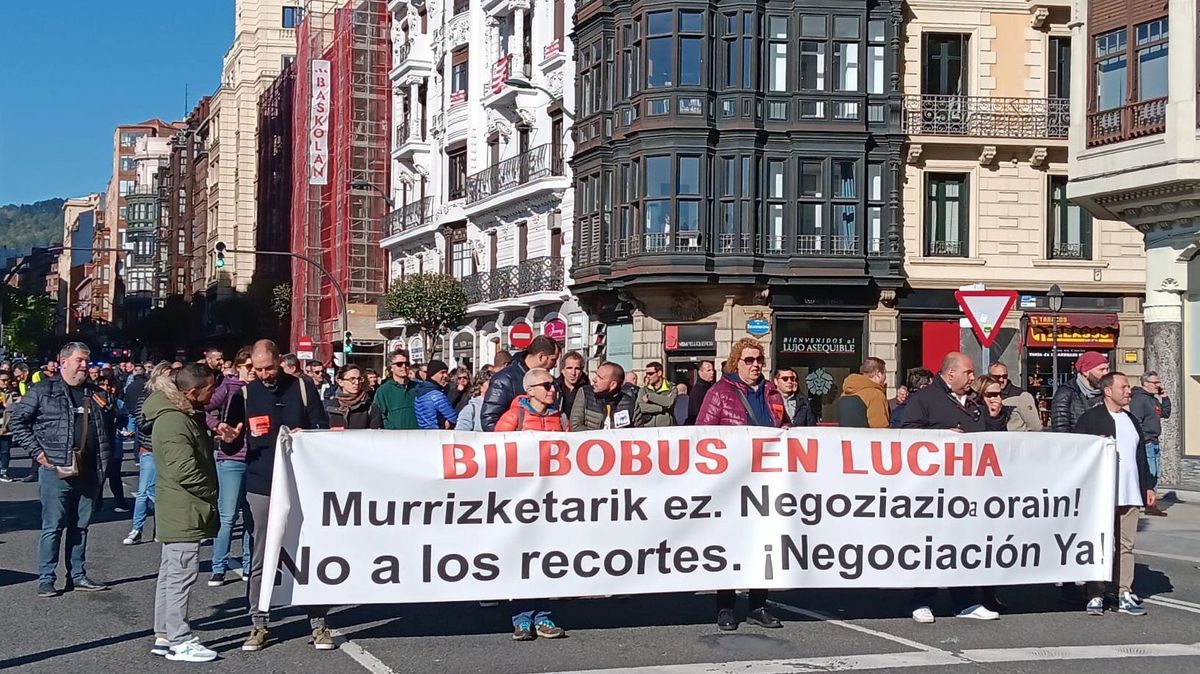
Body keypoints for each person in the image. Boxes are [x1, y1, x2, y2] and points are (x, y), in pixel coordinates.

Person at [229, 340, 331, 652]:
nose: (263, 374)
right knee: (262, 555)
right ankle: (259, 622)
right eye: (257, 370)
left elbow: (322, 431)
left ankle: (318, 623)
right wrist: (229, 440)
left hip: (300, 484)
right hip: (261, 485)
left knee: (307, 552)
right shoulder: (244, 395)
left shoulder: (303, 388)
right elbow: (231, 443)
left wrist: (308, 438)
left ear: (280, 362)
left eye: (268, 368)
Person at [146, 363, 238, 662]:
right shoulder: (173, 420)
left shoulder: (183, 414)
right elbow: (184, 468)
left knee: (172, 573)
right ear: (193, 391)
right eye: (210, 389)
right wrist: (212, 493)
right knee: (180, 576)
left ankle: (164, 635)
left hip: (181, 507)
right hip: (184, 508)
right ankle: (179, 639)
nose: (215, 394)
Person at [9, 342, 114, 597]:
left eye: (86, 361)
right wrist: (38, 453)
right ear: (63, 361)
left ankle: (77, 575)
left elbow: (111, 424)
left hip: (89, 470)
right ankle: (46, 577)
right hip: (56, 469)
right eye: (79, 360)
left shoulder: (95, 393)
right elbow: (18, 421)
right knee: (53, 525)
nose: (84, 366)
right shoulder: (44, 390)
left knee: (81, 526)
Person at [695, 338, 785, 630]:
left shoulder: (772, 392)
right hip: (732, 481)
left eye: (759, 359)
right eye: (749, 360)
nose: (755, 365)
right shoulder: (719, 393)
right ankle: (726, 606)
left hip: (766, 479)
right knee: (730, 543)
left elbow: (785, 427)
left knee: (763, 543)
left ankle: (759, 604)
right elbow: (703, 434)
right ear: (737, 362)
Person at [903, 352, 997, 623]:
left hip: (967, 487)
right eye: (968, 373)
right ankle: (922, 600)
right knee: (932, 544)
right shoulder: (924, 399)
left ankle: (966, 600)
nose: (972, 378)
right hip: (934, 487)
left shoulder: (974, 403)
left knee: (965, 544)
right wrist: (942, 436)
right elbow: (907, 433)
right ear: (950, 373)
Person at [490, 368, 567, 640]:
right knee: (523, 559)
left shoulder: (560, 417)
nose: (552, 389)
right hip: (519, 500)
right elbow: (496, 456)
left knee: (544, 558)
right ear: (530, 390)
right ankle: (522, 619)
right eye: (546, 385)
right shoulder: (513, 417)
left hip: (550, 499)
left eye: (554, 384)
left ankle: (543, 617)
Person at [1075, 372, 1155, 617]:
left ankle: (1123, 592)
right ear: (1108, 391)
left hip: (1130, 494)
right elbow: (1076, 451)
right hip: (1103, 495)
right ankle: (1096, 594)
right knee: (1099, 545)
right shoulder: (1091, 419)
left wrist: (1148, 487)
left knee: (1126, 546)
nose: (1128, 391)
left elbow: (1140, 456)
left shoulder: (1131, 420)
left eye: (1129, 387)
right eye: (1124, 387)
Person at [208, 349, 256, 585]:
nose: (252, 370)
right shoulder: (229, 386)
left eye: (254, 366)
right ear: (237, 366)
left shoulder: (263, 390)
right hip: (232, 458)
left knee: (251, 516)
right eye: (247, 366)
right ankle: (219, 567)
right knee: (228, 517)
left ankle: (249, 565)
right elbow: (201, 408)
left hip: (258, 459)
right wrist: (219, 426)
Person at [124, 363, 174, 546]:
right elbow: (141, 423)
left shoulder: (175, 398)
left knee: (163, 491)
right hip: (150, 449)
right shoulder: (146, 396)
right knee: (144, 491)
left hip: (169, 450)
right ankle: (137, 529)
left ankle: (160, 528)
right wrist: (163, 419)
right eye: (167, 376)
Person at [481, 336, 560, 432]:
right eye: (553, 359)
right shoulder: (504, 379)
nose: (555, 365)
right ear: (541, 357)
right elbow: (490, 420)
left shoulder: (551, 382)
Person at [1130, 371, 1170, 515]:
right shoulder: (1139, 399)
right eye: (1155, 383)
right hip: (1147, 442)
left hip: (1154, 441)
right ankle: (1150, 504)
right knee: (1150, 474)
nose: (1158, 385)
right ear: (1146, 383)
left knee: (1155, 472)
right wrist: (1144, 439)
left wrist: (1165, 398)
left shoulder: (1152, 399)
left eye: (1158, 382)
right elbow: (1136, 421)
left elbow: (1165, 413)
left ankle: (1150, 503)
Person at [570, 362, 638, 431]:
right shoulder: (585, 393)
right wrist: (600, 438)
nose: (594, 379)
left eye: (600, 377)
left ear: (612, 385)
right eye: (596, 375)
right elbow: (575, 426)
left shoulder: (630, 403)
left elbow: (638, 431)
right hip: (591, 441)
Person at [1051, 351, 1108, 433]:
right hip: (1077, 444)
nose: (1106, 373)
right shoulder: (1066, 394)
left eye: (1107, 369)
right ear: (1085, 372)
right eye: (1101, 370)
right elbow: (1060, 429)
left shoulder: (1107, 393)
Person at [96, 375, 130, 512]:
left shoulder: (119, 403)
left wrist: (127, 429)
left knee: (115, 475)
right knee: (99, 476)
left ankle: (120, 502)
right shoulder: (92, 402)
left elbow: (127, 417)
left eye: (110, 385)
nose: (107, 388)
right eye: (103, 385)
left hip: (115, 444)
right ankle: (96, 503)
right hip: (98, 445)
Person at [836, 357, 890, 428]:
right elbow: (880, 427)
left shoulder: (844, 393)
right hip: (867, 438)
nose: (885, 378)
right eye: (884, 374)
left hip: (847, 438)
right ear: (878, 374)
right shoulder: (875, 394)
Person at [326, 364, 383, 430]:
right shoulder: (329, 408)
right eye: (352, 379)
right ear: (340, 382)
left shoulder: (370, 408)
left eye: (359, 379)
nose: (357, 382)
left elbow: (375, 434)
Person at [373, 349, 420, 430]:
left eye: (406, 363)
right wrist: (391, 431)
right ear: (391, 367)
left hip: (417, 436)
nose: (404, 366)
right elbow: (379, 416)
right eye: (399, 364)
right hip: (395, 438)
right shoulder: (383, 390)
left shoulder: (417, 387)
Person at [988, 363, 1042, 431]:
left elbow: (1035, 427)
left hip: (1016, 439)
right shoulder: (984, 395)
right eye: (997, 377)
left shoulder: (1021, 396)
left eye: (1004, 376)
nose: (1001, 380)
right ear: (989, 377)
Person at [414, 360, 459, 430]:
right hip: (437, 434)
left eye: (446, 372)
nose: (445, 376)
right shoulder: (436, 395)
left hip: (424, 434)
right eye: (442, 372)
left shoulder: (419, 393)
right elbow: (454, 418)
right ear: (432, 374)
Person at [635, 361, 677, 427]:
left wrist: (649, 397)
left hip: (666, 428)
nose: (648, 376)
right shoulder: (643, 390)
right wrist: (663, 408)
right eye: (646, 374)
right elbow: (642, 407)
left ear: (659, 373)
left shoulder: (671, 388)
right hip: (648, 427)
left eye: (650, 374)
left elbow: (670, 402)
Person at [686, 360, 717, 425]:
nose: (712, 372)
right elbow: (696, 413)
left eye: (713, 370)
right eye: (708, 370)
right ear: (700, 372)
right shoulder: (697, 391)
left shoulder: (712, 387)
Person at [556, 351, 586, 417]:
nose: (573, 373)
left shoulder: (587, 390)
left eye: (577, 369)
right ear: (562, 370)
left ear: (581, 371)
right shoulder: (554, 388)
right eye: (569, 368)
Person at [0, 372, 18, 482]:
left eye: (7, 380)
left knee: (5, 451)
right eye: (3, 380)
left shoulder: (13, 393)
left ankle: (4, 472)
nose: (5, 382)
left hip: (6, 427)